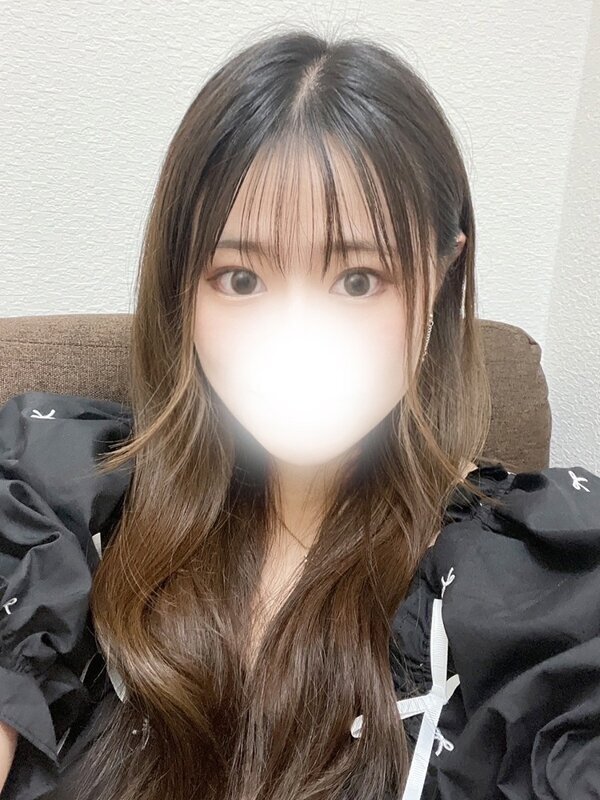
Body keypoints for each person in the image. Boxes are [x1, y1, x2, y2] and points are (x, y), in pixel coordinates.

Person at [0, 28, 598, 800]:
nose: (296, 338)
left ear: (443, 274)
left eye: (358, 279)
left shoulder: (547, 586)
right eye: (240, 278)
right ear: (182, 287)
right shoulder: (51, 500)